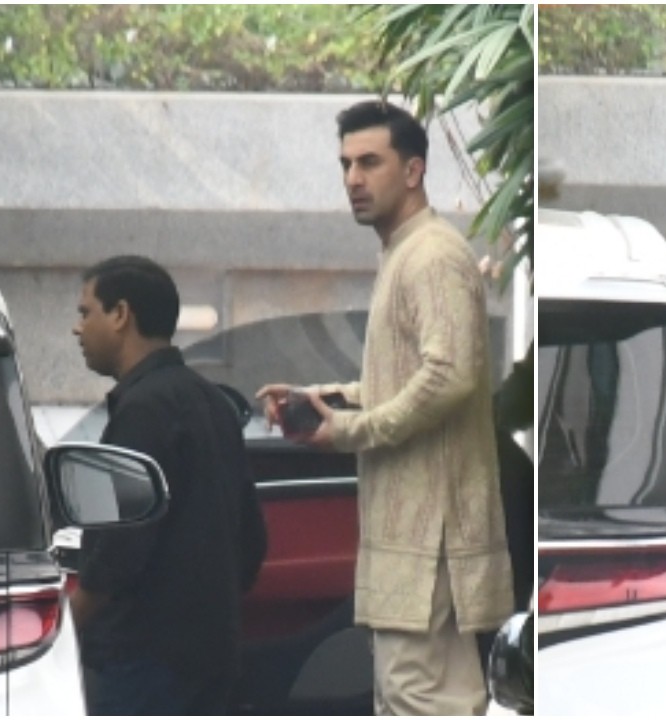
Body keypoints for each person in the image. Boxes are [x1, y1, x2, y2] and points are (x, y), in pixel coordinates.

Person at [256, 100, 512, 715]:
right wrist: (327, 401)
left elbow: (449, 376)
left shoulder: (430, 255)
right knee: (416, 697)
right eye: (345, 164)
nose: (352, 178)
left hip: (431, 538)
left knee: (417, 699)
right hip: (416, 537)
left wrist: (353, 428)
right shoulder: (408, 250)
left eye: (370, 162)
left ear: (415, 170)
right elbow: (411, 376)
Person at [71, 255, 267, 715]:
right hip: (211, 660)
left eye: (85, 313)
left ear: (121, 315)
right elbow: (251, 543)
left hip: (140, 664)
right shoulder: (214, 404)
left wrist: (65, 630)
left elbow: (115, 555)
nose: (77, 329)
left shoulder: (140, 413)